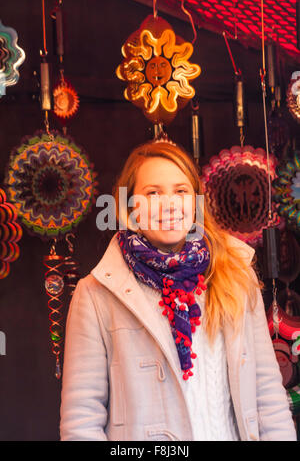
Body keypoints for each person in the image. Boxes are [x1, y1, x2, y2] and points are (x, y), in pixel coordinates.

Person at [60, 139, 297, 441]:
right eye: (153, 193)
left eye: (180, 191)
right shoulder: (95, 294)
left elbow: (268, 396)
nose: (169, 204)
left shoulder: (236, 277)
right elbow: (82, 421)